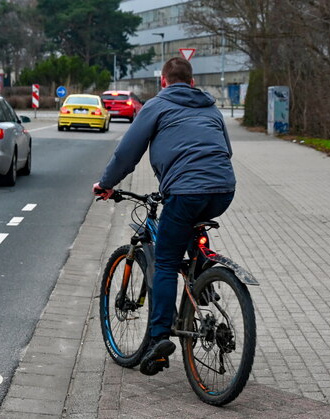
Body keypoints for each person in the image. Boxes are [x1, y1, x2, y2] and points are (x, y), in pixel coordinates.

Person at [93, 57, 236, 376]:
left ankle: (158, 341)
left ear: (163, 81)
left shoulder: (156, 106)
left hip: (185, 192)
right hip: (224, 189)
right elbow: (225, 150)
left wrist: (106, 184)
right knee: (190, 227)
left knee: (166, 263)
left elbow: (127, 152)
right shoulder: (211, 108)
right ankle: (204, 279)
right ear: (193, 83)